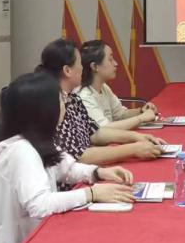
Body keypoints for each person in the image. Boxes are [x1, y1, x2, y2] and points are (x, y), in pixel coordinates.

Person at [0, 71, 135, 243]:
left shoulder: (38, 140)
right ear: (45, 110)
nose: (65, 103)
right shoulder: (21, 151)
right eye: (60, 99)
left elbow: (67, 169)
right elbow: (40, 205)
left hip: (30, 240)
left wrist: (98, 173)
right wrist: (91, 193)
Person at [37, 38, 165, 163]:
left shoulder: (73, 99)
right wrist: (133, 149)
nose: (83, 68)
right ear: (67, 70)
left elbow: (96, 133)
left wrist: (137, 137)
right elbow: (79, 156)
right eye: (80, 63)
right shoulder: (53, 104)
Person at [77, 40, 159, 130]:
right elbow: (104, 129)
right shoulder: (83, 96)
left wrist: (141, 111)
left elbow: (120, 115)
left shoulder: (103, 87)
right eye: (110, 60)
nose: (116, 64)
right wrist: (141, 118)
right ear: (95, 66)